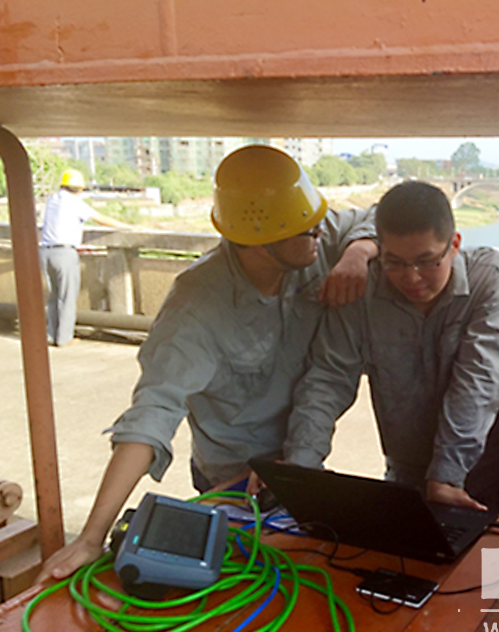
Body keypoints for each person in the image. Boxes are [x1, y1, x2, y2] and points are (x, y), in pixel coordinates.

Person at [38, 145, 378, 582]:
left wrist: (359, 252)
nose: (318, 231)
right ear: (258, 244)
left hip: (302, 460)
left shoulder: (313, 239)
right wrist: (91, 537)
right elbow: (152, 414)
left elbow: (378, 216)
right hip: (233, 477)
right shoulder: (196, 306)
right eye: (305, 230)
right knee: (239, 588)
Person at [284, 181, 499, 511]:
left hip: (483, 466)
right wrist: (299, 467)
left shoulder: (492, 278)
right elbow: (328, 378)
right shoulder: (364, 290)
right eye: (394, 262)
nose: (411, 278)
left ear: (454, 244)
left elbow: (478, 381)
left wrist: (446, 477)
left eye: (427, 261)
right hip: (404, 469)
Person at [40, 169, 136, 346]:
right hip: (64, 253)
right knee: (67, 296)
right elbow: (100, 218)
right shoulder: (75, 203)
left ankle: (51, 335)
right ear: (79, 189)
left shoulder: (52, 200)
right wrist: (129, 227)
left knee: (54, 296)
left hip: (46, 252)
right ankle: (64, 338)